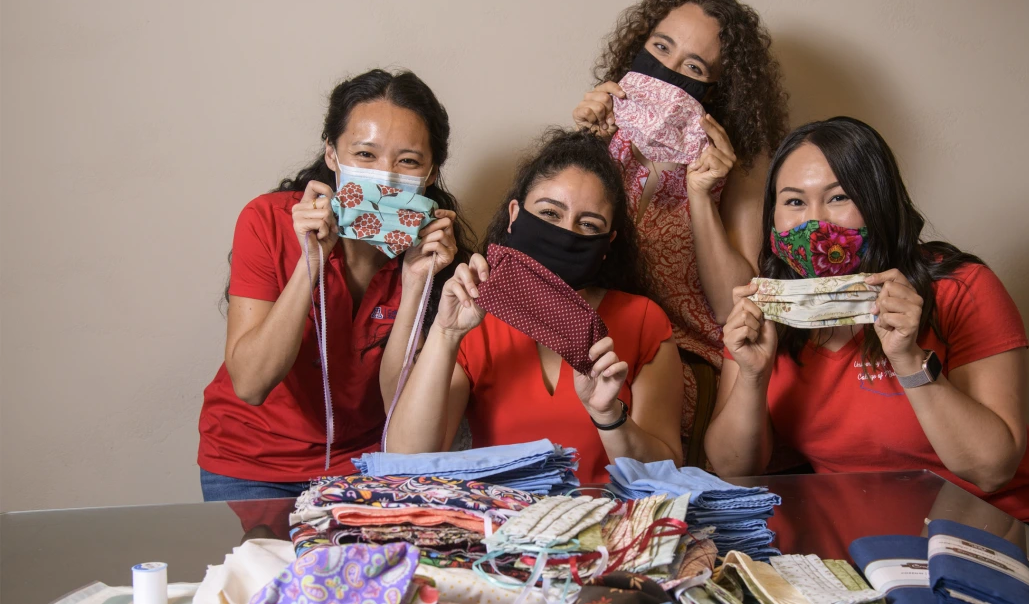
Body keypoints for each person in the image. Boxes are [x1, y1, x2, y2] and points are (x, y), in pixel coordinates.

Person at [705, 117, 1029, 551]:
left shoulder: (961, 287)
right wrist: (753, 376)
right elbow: (734, 468)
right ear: (772, 217)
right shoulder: (765, 309)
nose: (815, 222)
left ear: (879, 202)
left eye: (839, 197)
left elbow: (991, 470)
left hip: (1008, 524)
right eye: (793, 202)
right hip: (872, 531)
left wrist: (907, 359)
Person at [197, 69, 473, 501]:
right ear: (331, 153)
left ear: (431, 172)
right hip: (251, 464)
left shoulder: (433, 254)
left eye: (408, 161)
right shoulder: (267, 221)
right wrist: (311, 263)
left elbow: (396, 405)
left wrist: (416, 281)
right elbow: (251, 383)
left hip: (363, 468)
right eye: (365, 154)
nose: (386, 176)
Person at [381, 129, 683, 483]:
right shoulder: (476, 321)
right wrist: (446, 333)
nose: (566, 234)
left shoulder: (642, 320)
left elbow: (669, 478)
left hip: (610, 528)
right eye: (550, 214)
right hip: (500, 527)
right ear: (514, 215)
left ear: (607, 244)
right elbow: (404, 461)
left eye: (588, 224)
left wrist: (609, 417)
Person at [572, 0, 789, 462]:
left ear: (719, 91)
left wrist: (700, 191)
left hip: (675, 366)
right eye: (660, 48)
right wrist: (584, 148)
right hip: (585, 343)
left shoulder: (742, 167)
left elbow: (735, 306)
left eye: (693, 67)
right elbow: (561, 253)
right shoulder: (611, 133)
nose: (668, 71)